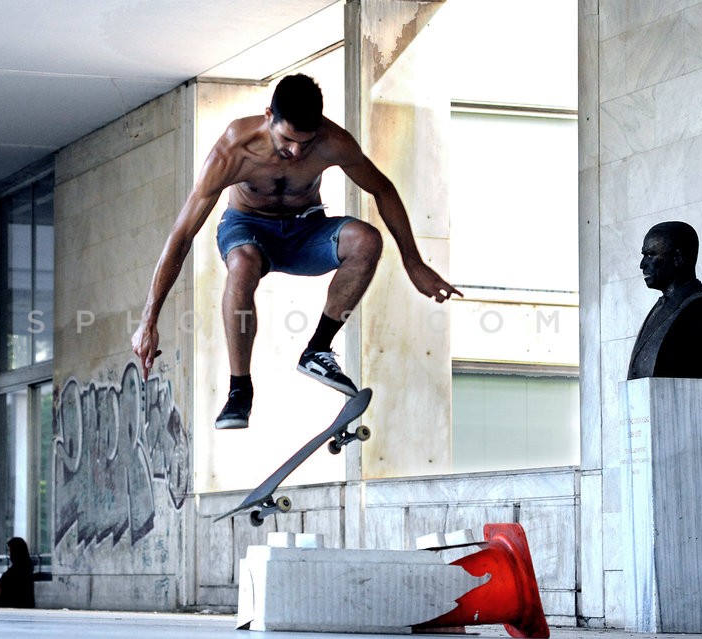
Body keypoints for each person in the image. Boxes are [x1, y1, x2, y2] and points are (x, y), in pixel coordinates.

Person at [131, 74, 461, 429]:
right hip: (248, 228)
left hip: (306, 229)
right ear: (268, 115)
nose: (296, 152)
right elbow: (182, 234)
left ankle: (318, 350)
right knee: (242, 264)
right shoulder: (233, 150)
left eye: (307, 142)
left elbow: (383, 189)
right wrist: (149, 319)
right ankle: (239, 390)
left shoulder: (334, 142)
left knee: (366, 240)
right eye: (287, 140)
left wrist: (413, 262)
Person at [627, 221, 702, 380]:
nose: (642, 265)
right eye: (643, 255)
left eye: (650, 255)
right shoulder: (660, 308)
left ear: (678, 258)